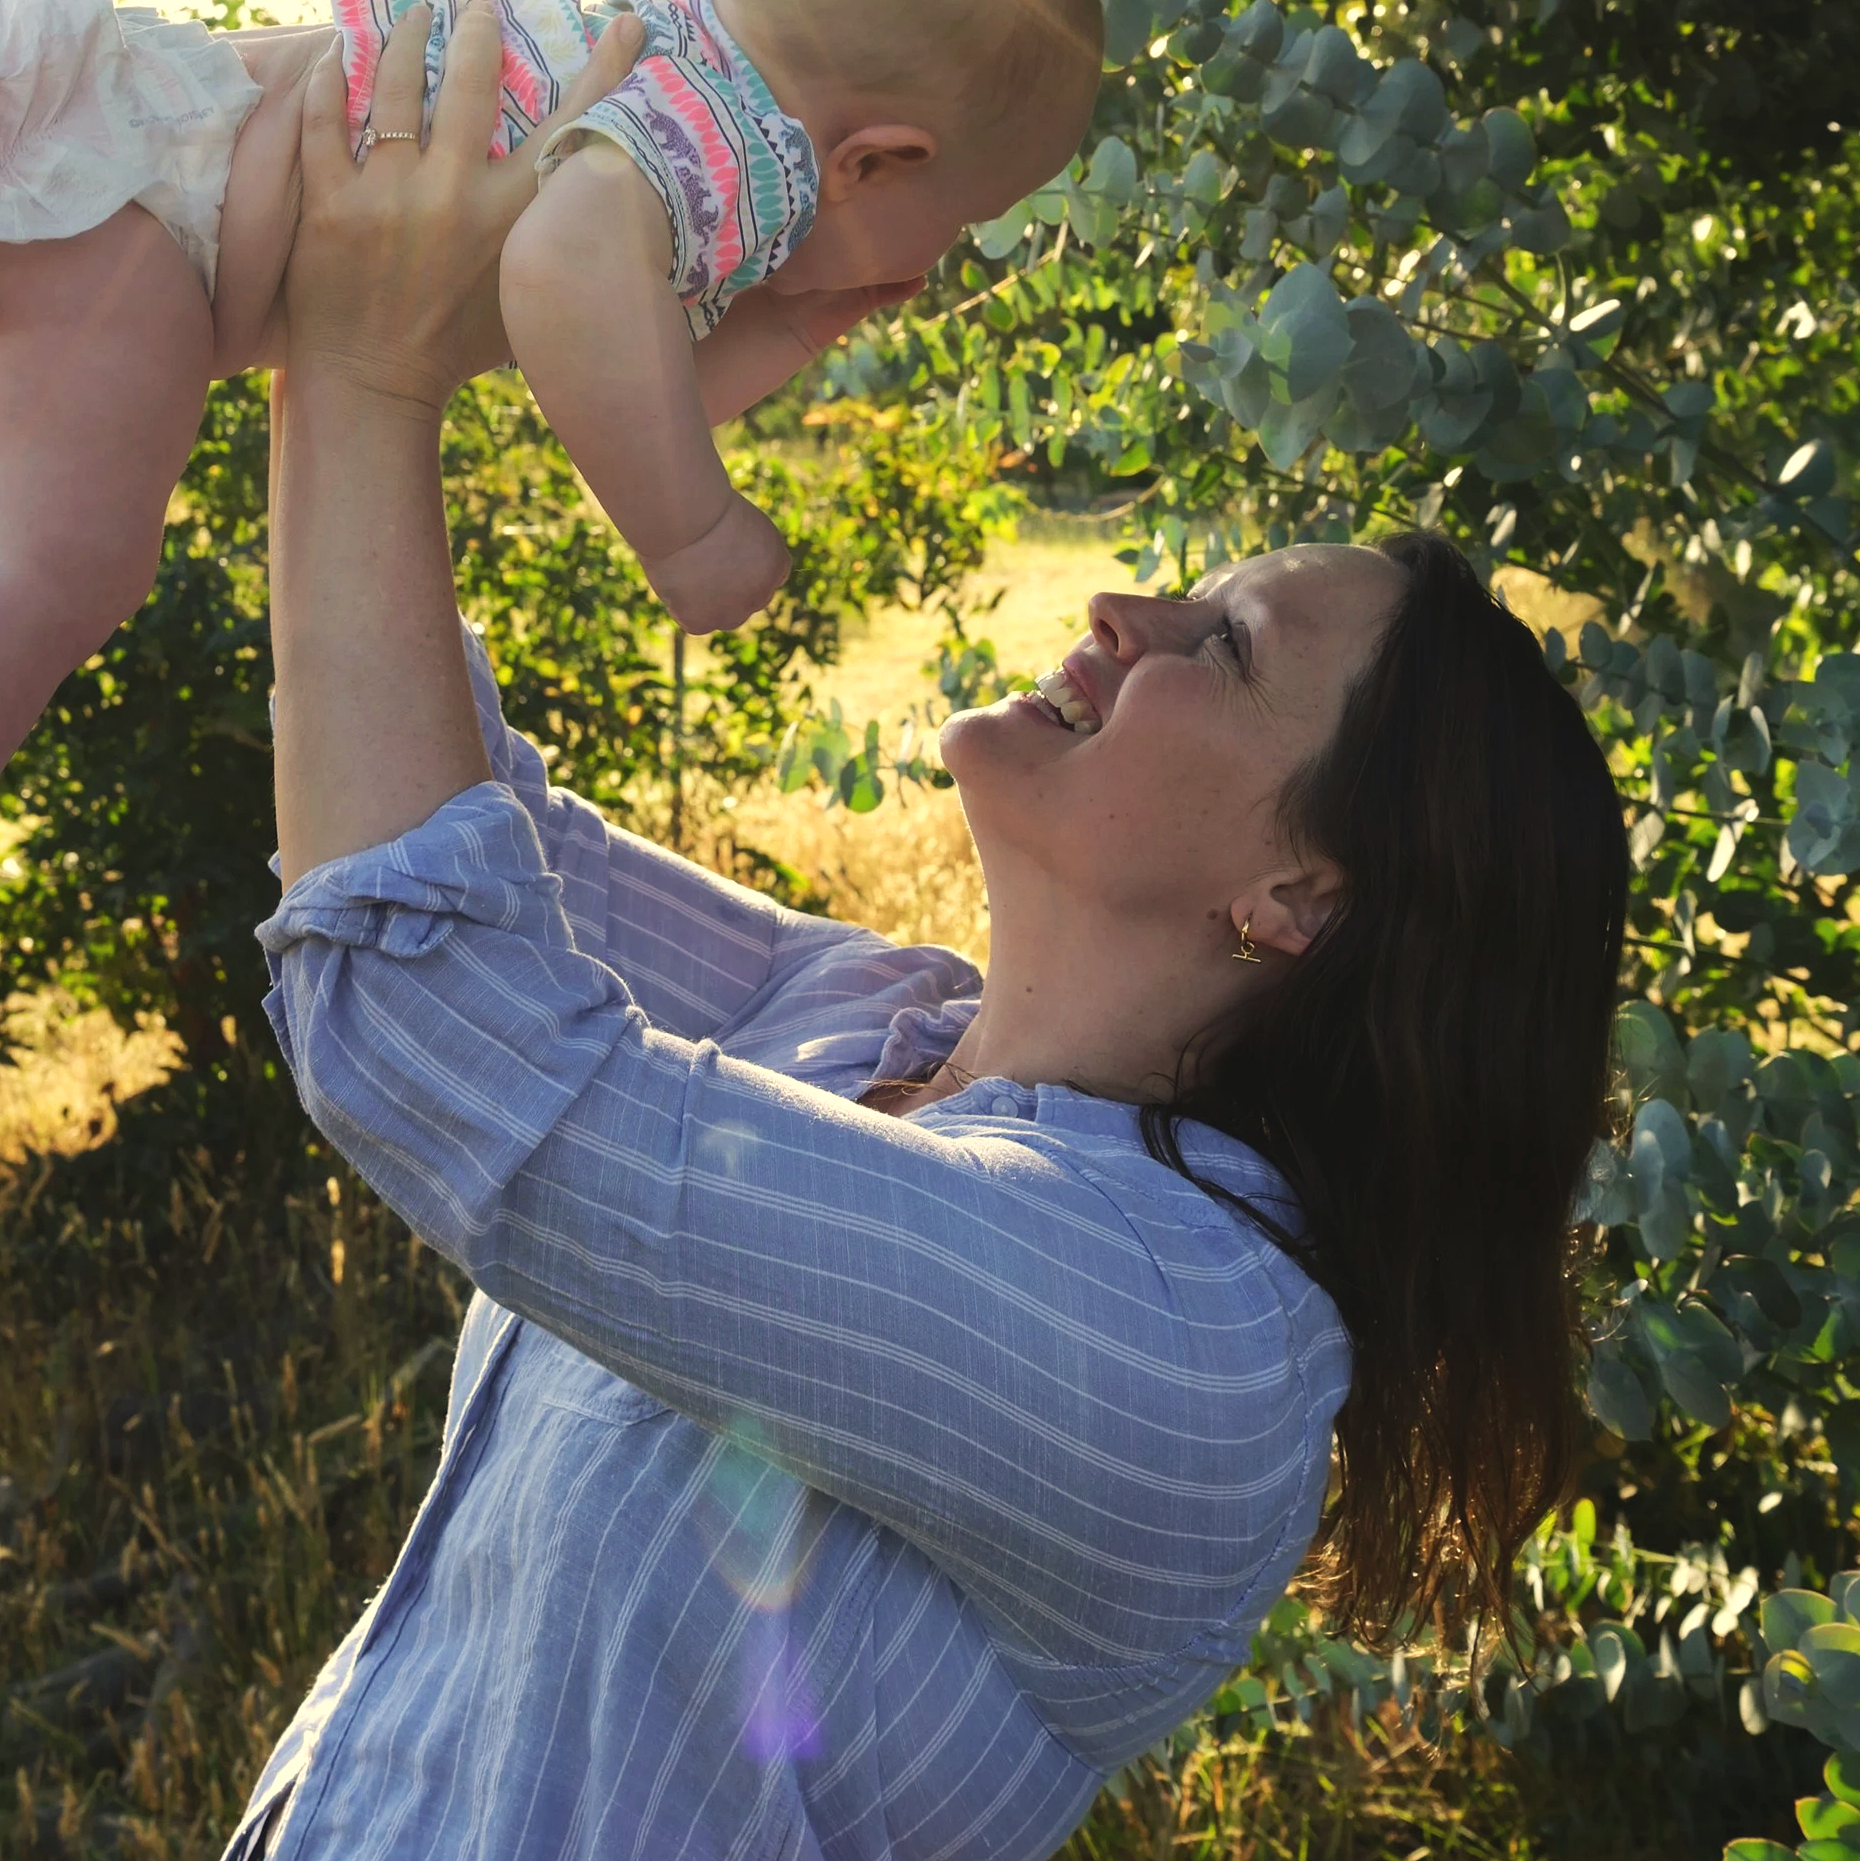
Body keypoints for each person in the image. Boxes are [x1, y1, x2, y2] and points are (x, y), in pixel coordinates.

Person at [234, 14, 1631, 1858]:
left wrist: (363, 376)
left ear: (1301, 897)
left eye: (1220, 646)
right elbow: (462, 829)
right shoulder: (868, 1013)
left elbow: (440, 1025)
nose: (1125, 609)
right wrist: (566, 303)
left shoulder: (1184, 1347)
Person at [0, 0, 1101, 767]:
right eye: (960, 218)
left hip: (120, 139)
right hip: (142, 212)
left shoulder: (673, 67)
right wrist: (694, 538)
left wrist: (794, 327)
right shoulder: (744, 139)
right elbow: (560, 267)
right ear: (876, 160)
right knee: (66, 565)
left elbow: (614, 384)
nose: (944, 254)